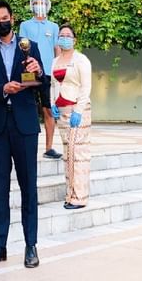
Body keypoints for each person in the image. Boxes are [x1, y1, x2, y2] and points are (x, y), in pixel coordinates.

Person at [0, 0, 44, 268]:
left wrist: (38, 72)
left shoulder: (30, 47)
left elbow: (41, 84)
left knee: (29, 187)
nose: (1, 22)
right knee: (0, 187)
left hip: (25, 125)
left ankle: (31, 246)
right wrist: (4, 88)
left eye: (4, 17)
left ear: (12, 18)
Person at [50, 24, 92, 210]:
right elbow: (53, 84)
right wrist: (52, 103)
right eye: (61, 35)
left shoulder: (81, 60)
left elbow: (85, 87)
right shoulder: (55, 61)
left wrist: (79, 110)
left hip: (77, 111)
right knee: (68, 155)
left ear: (74, 39)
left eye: (68, 35)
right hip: (62, 112)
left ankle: (80, 196)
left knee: (78, 154)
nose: (64, 38)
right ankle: (70, 193)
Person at [19, 0, 62, 159]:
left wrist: (59, 71)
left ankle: (49, 147)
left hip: (48, 74)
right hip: (29, 71)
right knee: (27, 107)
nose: (39, 5)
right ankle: (25, 146)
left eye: (42, 3)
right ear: (32, 6)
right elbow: (22, 47)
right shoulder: (25, 25)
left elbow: (57, 50)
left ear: (48, 6)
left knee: (48, 110)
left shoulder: (53, 27)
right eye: (36, 3)